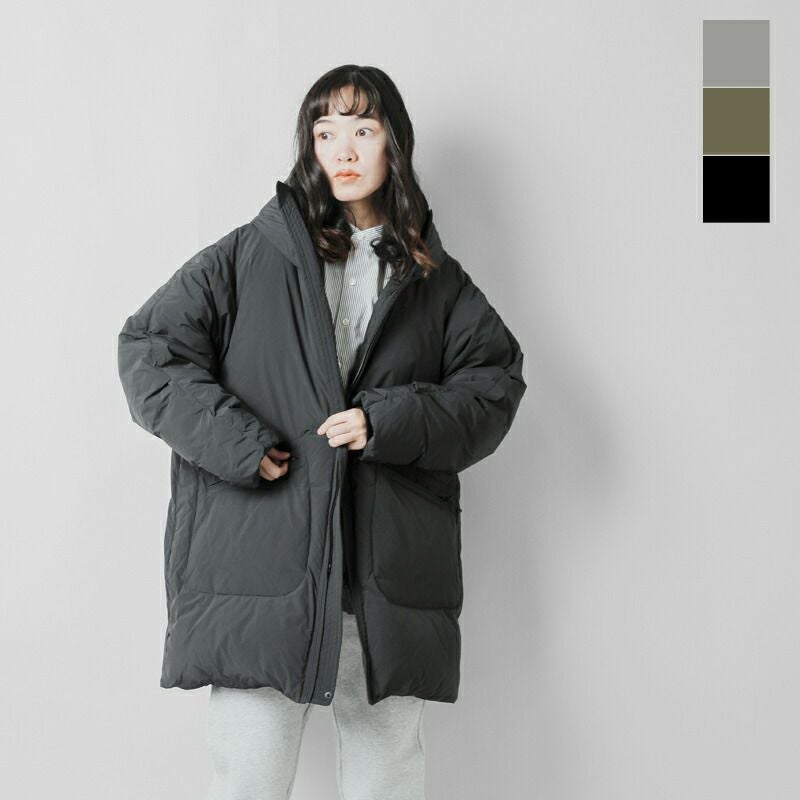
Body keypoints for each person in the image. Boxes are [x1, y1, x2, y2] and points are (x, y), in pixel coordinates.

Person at [117, 65, 526, 800]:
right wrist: (241, 445)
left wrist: (387, 421)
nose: (343, 148)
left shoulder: (434, 280)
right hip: (263, 572)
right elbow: (149, 351)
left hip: (384, 581)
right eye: (325, 130)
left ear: (394, 144)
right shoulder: (249, 256)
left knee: (386, 780)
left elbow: (494, 385)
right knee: (247, 781)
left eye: (363, 129)